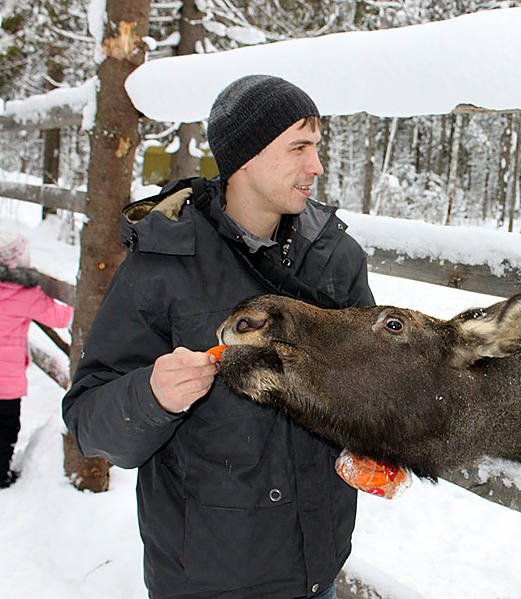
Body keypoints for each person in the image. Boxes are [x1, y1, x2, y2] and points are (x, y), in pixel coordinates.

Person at [62, 75, 375, 599]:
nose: (316, 166)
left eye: (317, 148)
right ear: (246, 157)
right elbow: (88, 424)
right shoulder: (163, 263)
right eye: (298, 147)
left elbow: (372, 379)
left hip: (315, 567)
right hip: (203, 576)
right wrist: (152, 396)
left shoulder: (334, 258)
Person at [0, 229, 74, 488]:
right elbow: (59, 317)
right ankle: (0, 475)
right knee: (6, 427)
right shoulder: (24, 293)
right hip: (5, 384)